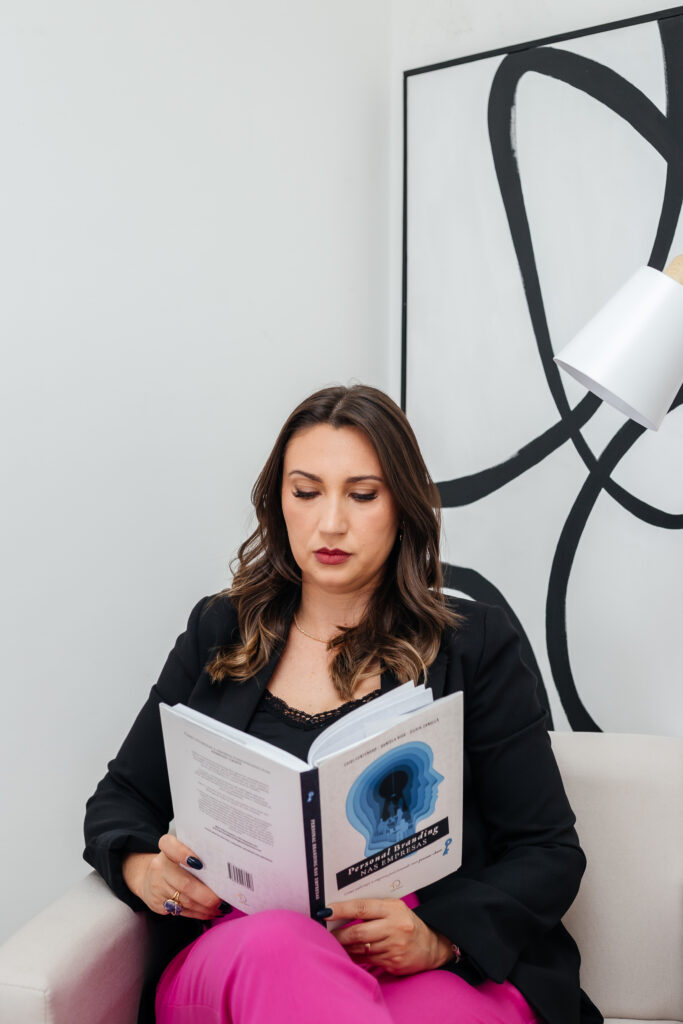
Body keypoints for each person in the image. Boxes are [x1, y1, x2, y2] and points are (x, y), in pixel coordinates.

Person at [83, 384, 602, 1024]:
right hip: (249, 949)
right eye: (306, 492)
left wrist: (439, 935)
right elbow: (121, 798)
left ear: (402, 505)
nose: (331, 523)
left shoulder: (475, 645)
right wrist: (143, 870)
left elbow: (547, 851)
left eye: (362, 495)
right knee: (280, 945)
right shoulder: (220, 630)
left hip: (417, 957)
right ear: (279, 503)